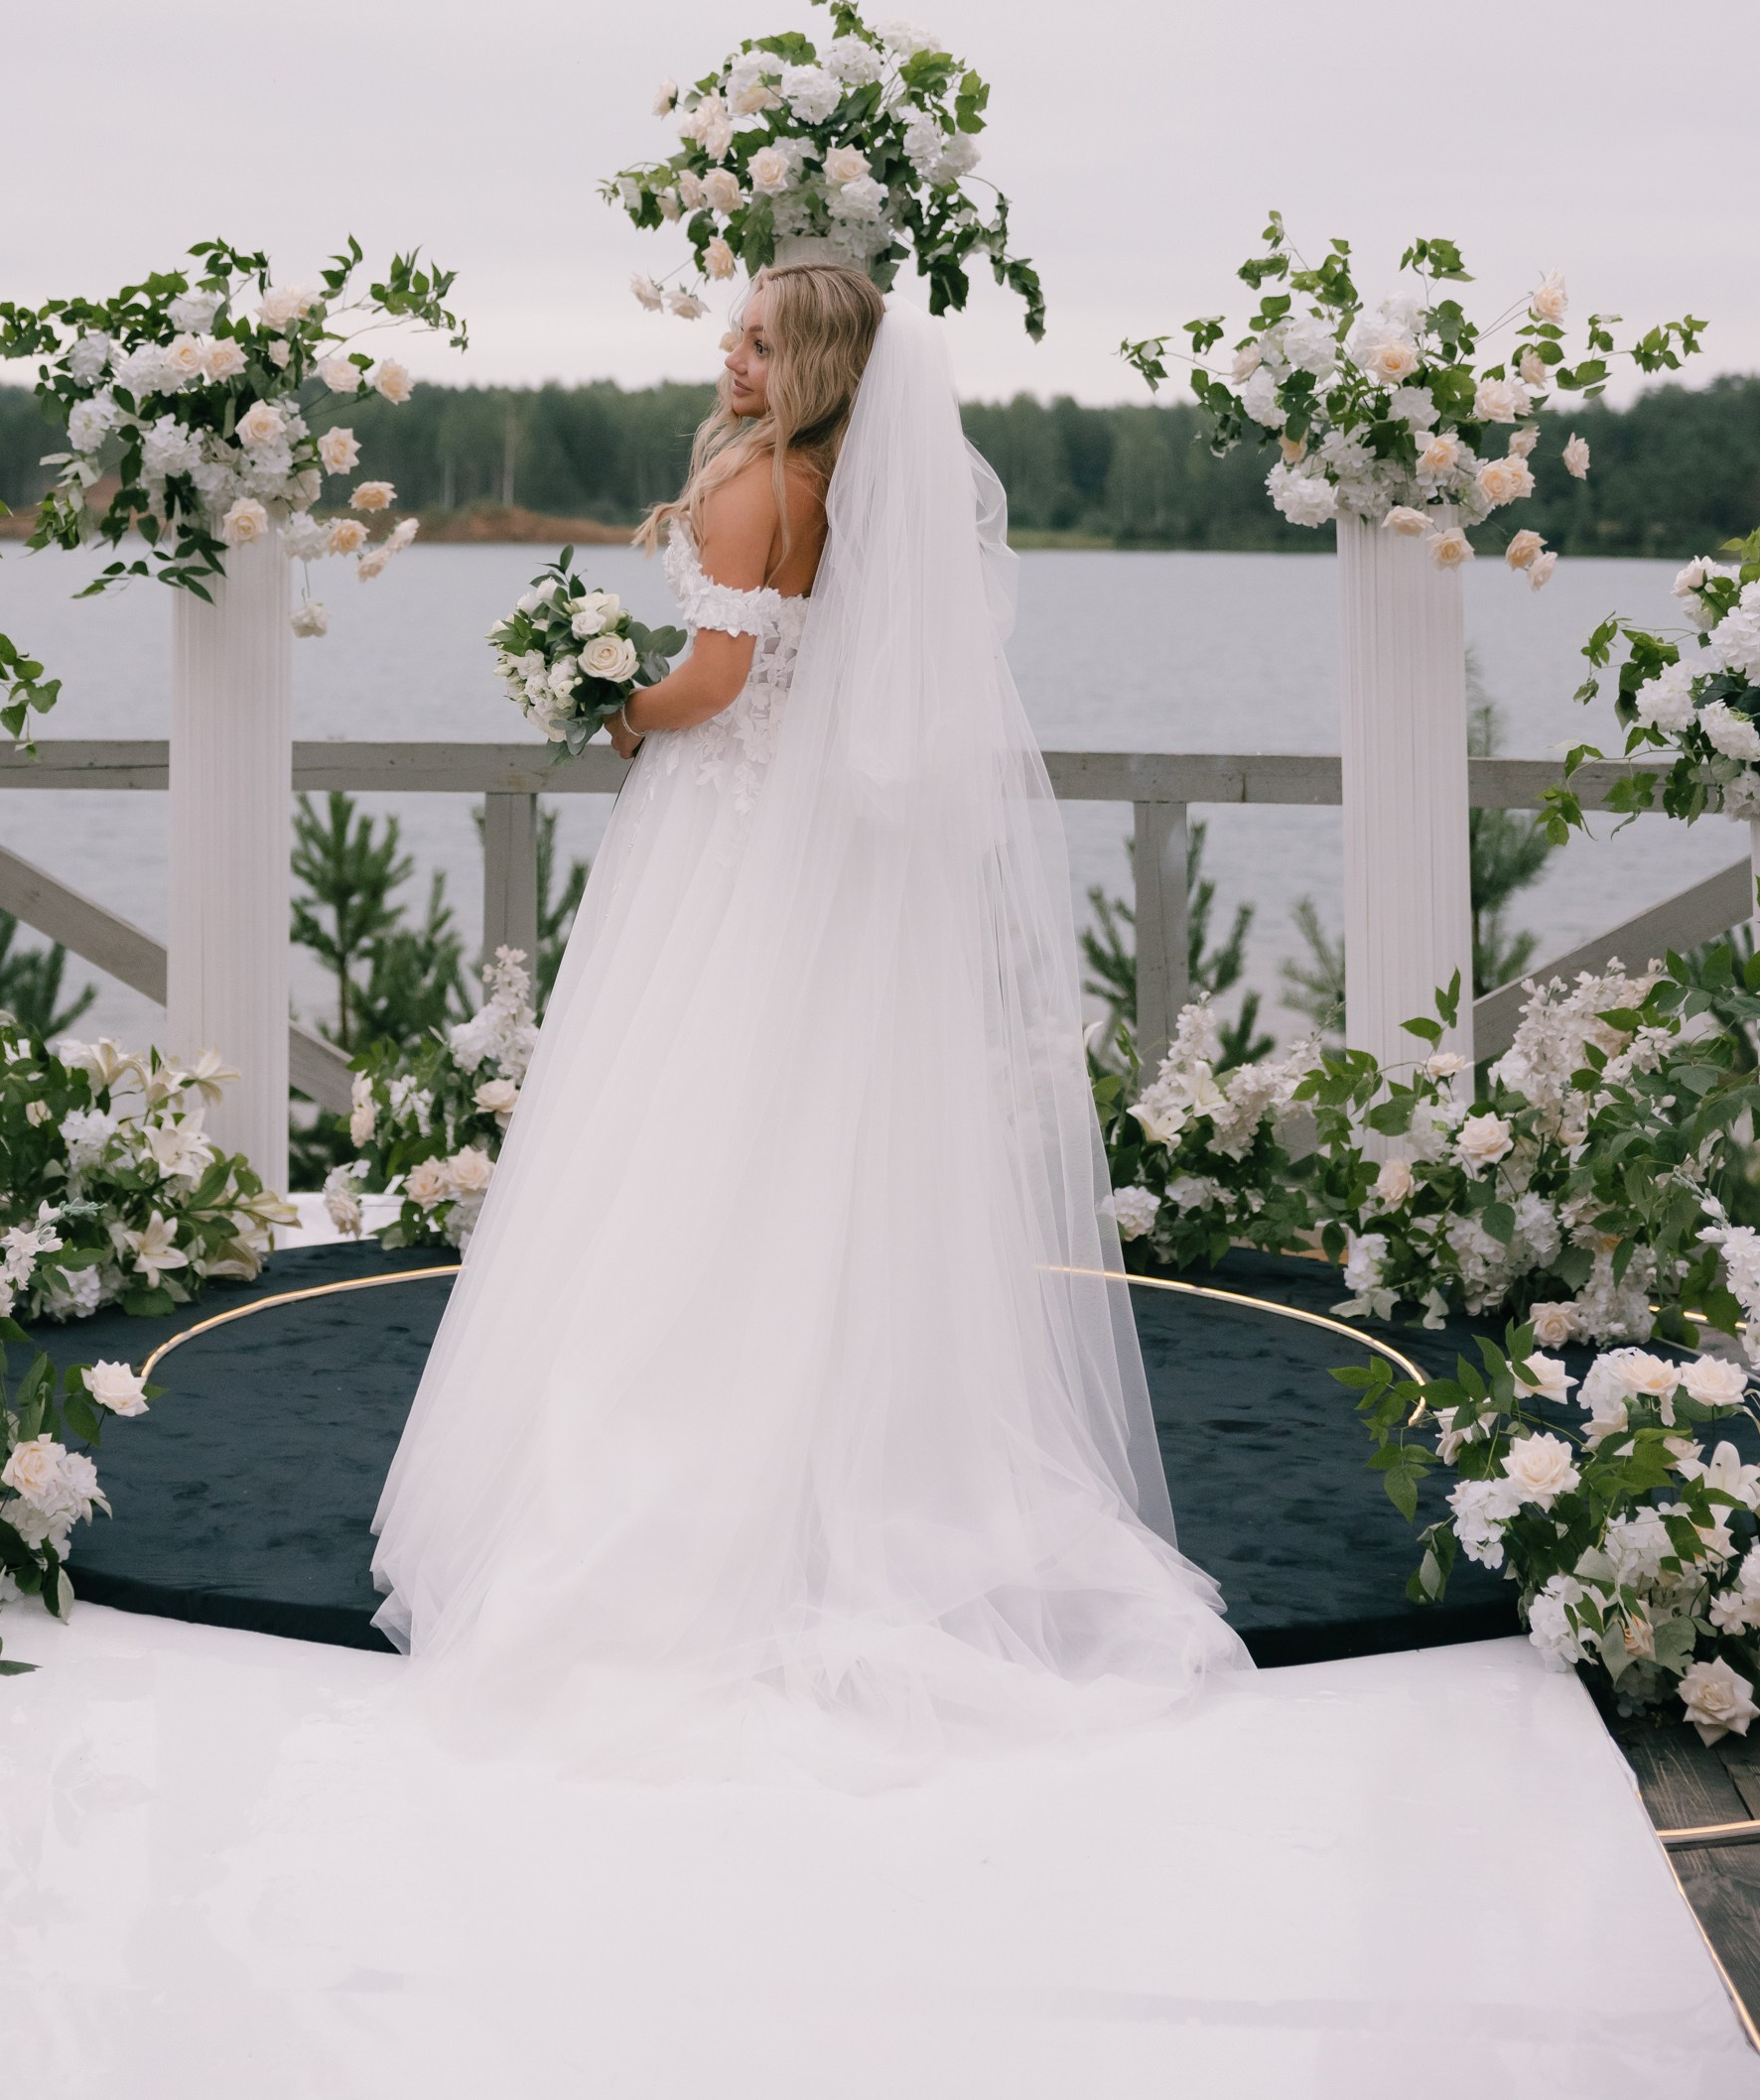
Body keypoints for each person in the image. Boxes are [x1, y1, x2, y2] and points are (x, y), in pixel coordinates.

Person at [371, 253, 1245, 1780]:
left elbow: (713, 684)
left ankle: (680, 1455)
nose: (733, 356)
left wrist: (606, 702)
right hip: (818, 861)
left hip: (721, 835)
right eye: (736, 335)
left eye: (762, 343)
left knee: (685, 1117)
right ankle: (857, 1432)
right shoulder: (856, 495)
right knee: (811, 1126)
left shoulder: (754, 487)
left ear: (820, 361)